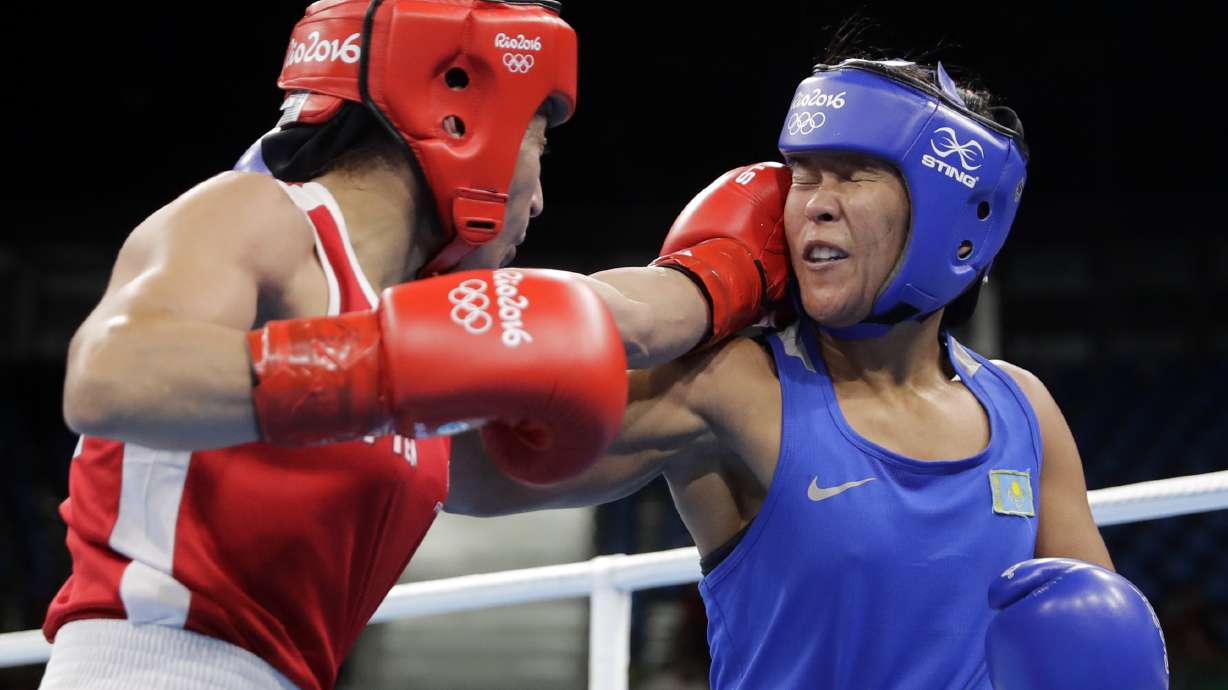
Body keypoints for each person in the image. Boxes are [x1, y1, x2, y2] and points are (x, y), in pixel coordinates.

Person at [39, 2, 787, 689]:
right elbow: (109, 376)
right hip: (144, 663)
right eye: (540, 150)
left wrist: (728, 277)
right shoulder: (260, 215)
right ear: (463, 118)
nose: (538, 198)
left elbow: (601, 349)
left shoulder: (417, 325)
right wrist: (378, 366)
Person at [445, 57, 1169, 688]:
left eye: (854, 176)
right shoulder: (737, 386)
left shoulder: (1023, 409)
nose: (815, 204)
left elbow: (1098, 635)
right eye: (802, 176)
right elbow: (470, 471)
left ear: (954, 217)